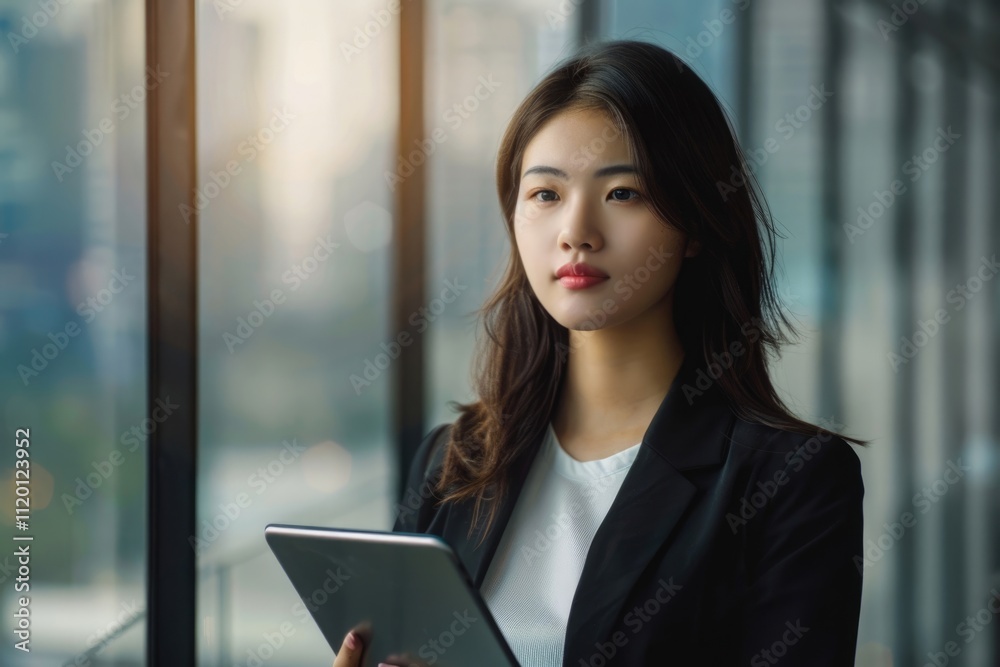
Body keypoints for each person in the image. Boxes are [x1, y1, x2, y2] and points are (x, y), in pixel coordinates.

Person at [333, 38, 868, 667]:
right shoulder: (454, 461)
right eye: (545, 195)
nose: (576, 233)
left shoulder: (791, 479)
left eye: (623, 194)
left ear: (694, 224)